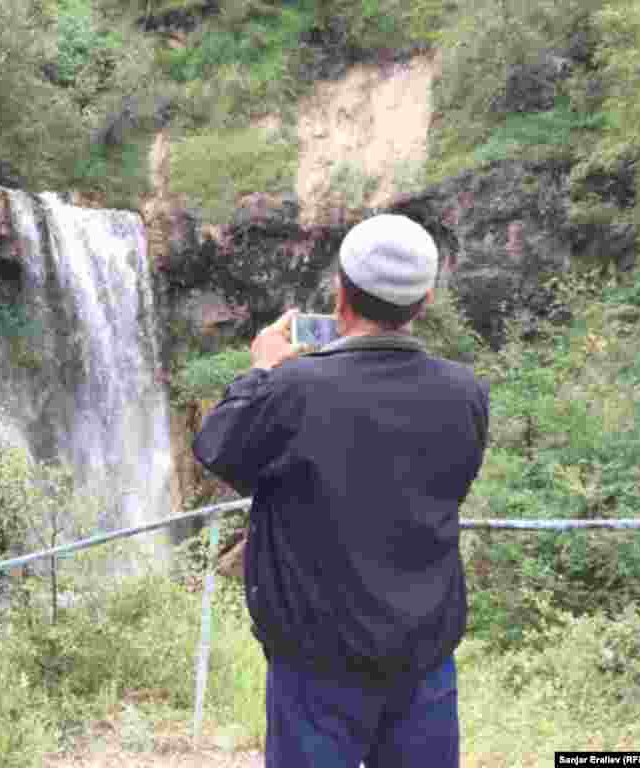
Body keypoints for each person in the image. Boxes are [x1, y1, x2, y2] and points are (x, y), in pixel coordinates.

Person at [192, 214, 489, 768]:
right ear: (422, 303)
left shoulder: (292, 388)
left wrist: (261, 371)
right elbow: (450, 484)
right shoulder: (466, 391)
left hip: (315, 664)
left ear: (340, 293)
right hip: (423, 657)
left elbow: (217, 449)